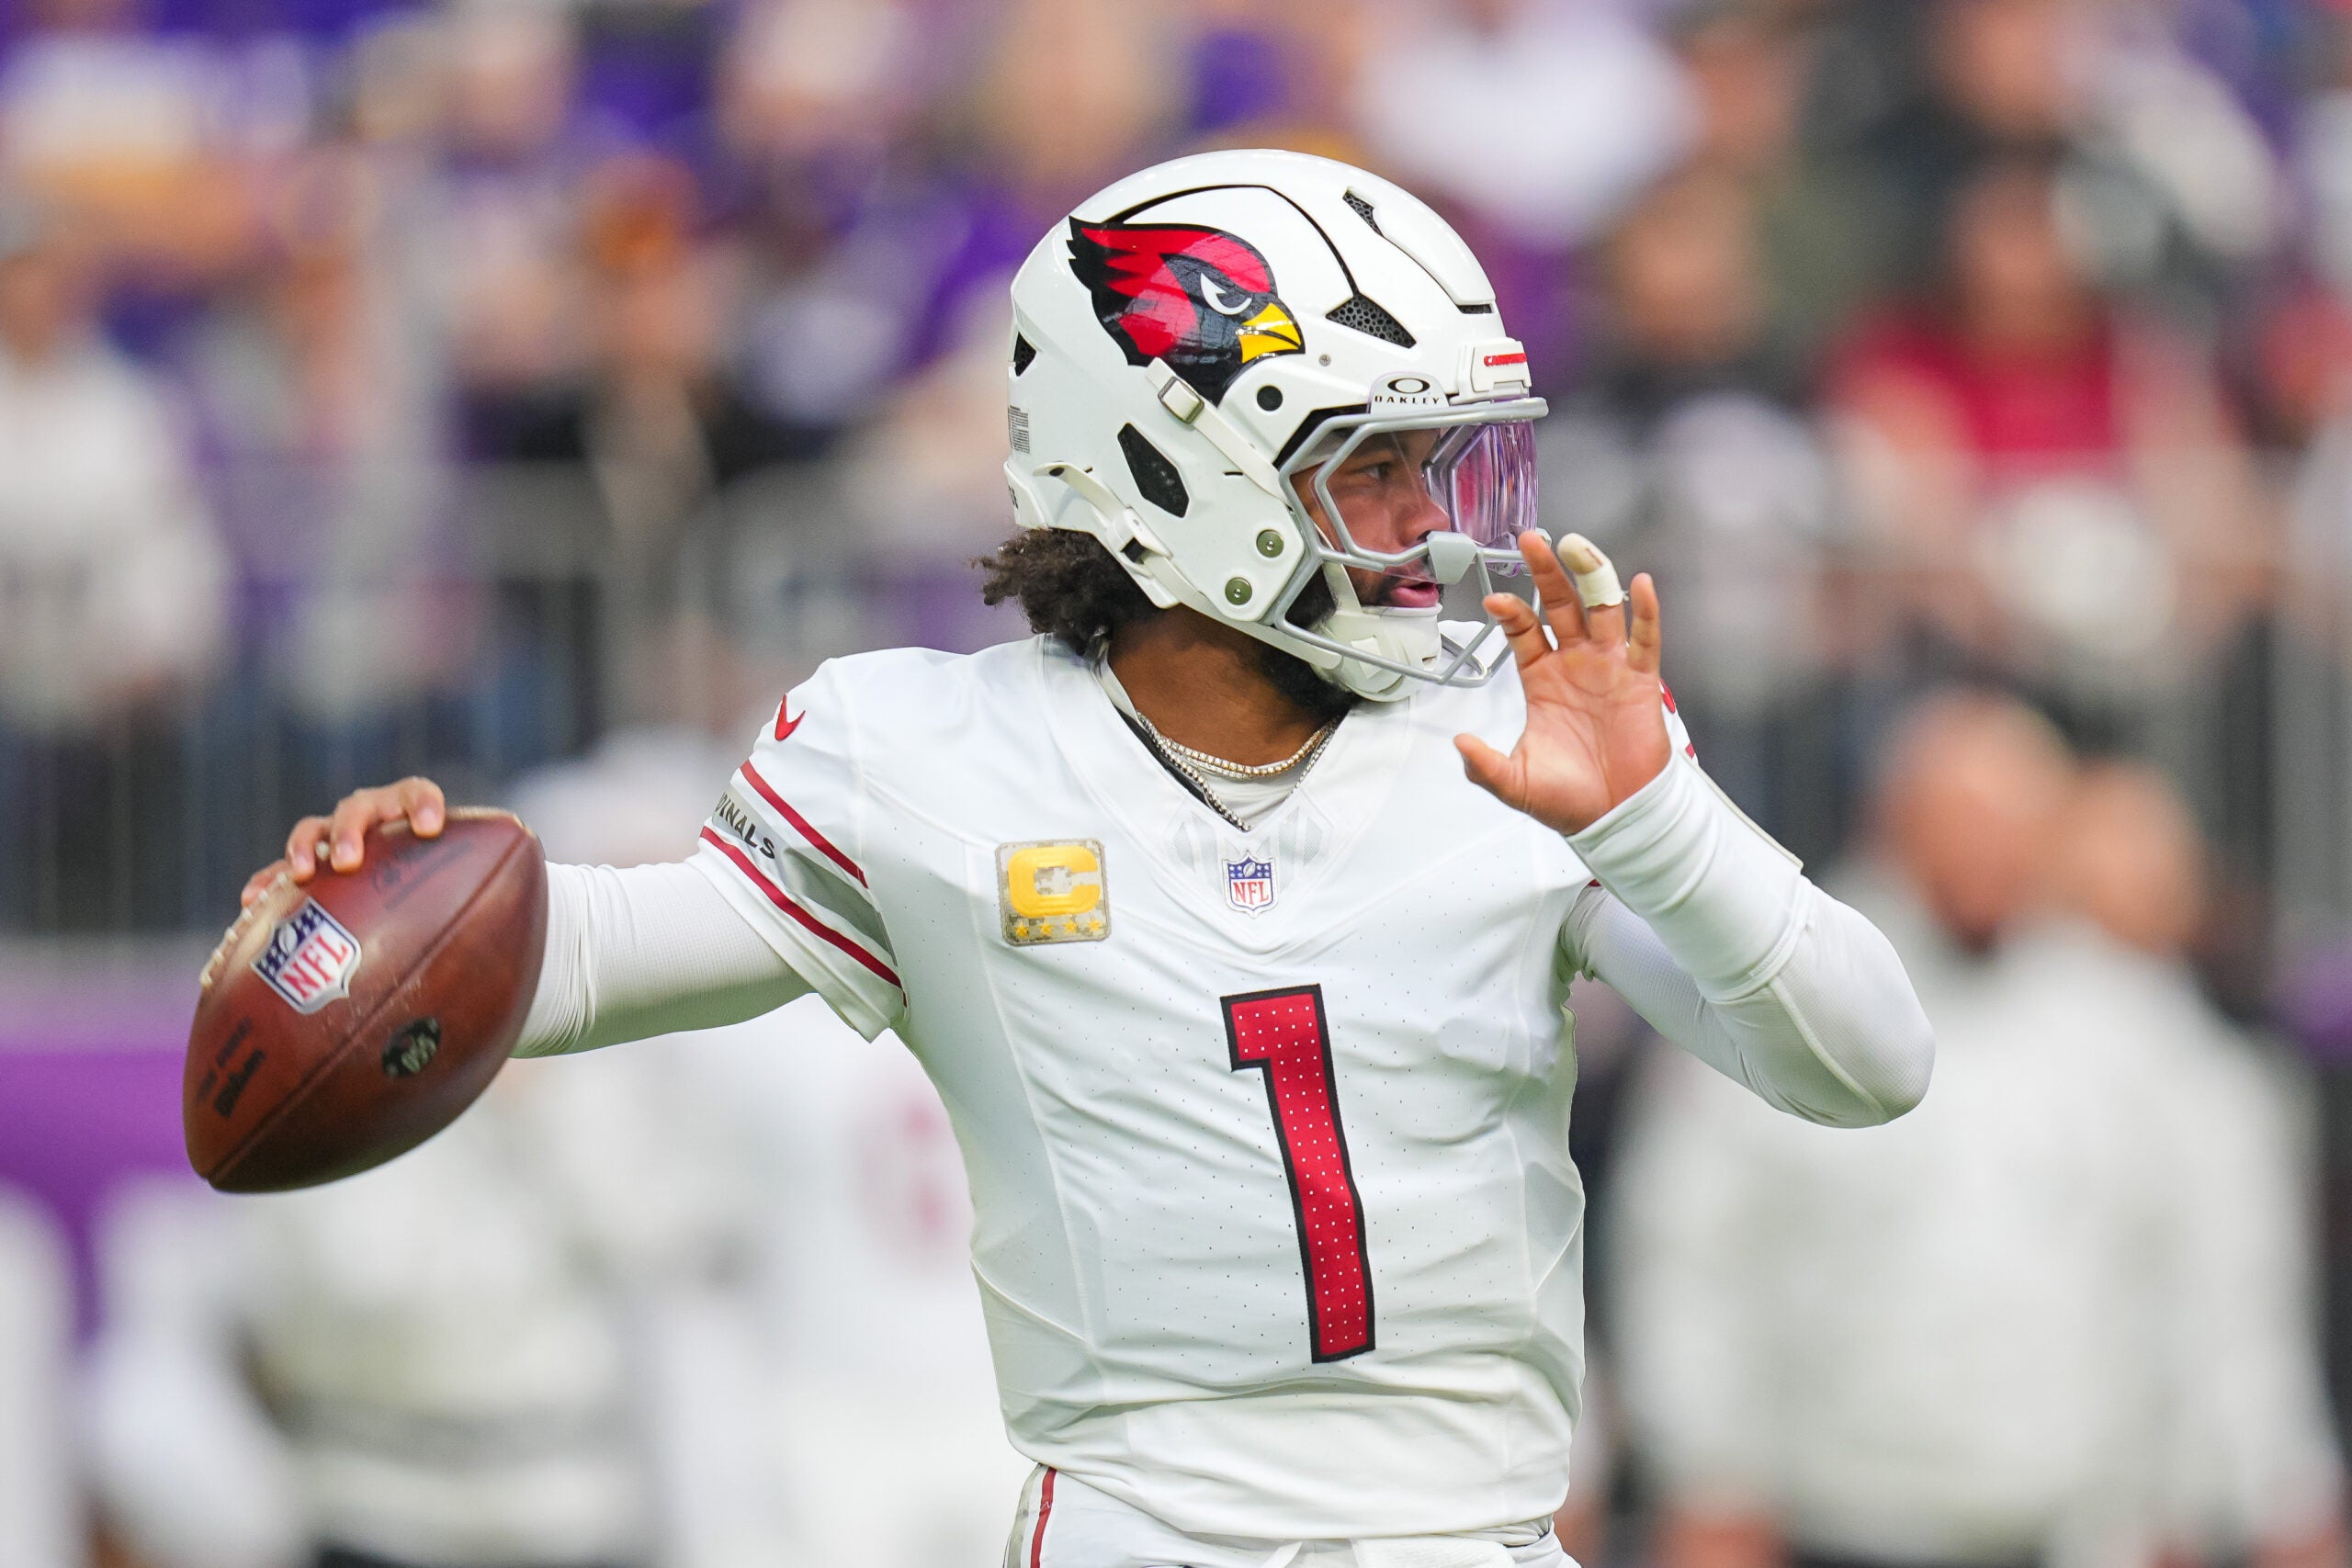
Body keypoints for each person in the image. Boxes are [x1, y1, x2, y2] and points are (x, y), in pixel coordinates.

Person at [237, 150, 1934, 1567]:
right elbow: (577, 957)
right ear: (1181, 474)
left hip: (1478, 1536)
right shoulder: (925, 755)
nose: (1438, 529)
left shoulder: (1518, 734)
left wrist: (1654, 815)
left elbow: (1869, 1063)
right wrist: (354, 913)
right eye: (1378, 472)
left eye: (1442, 466)